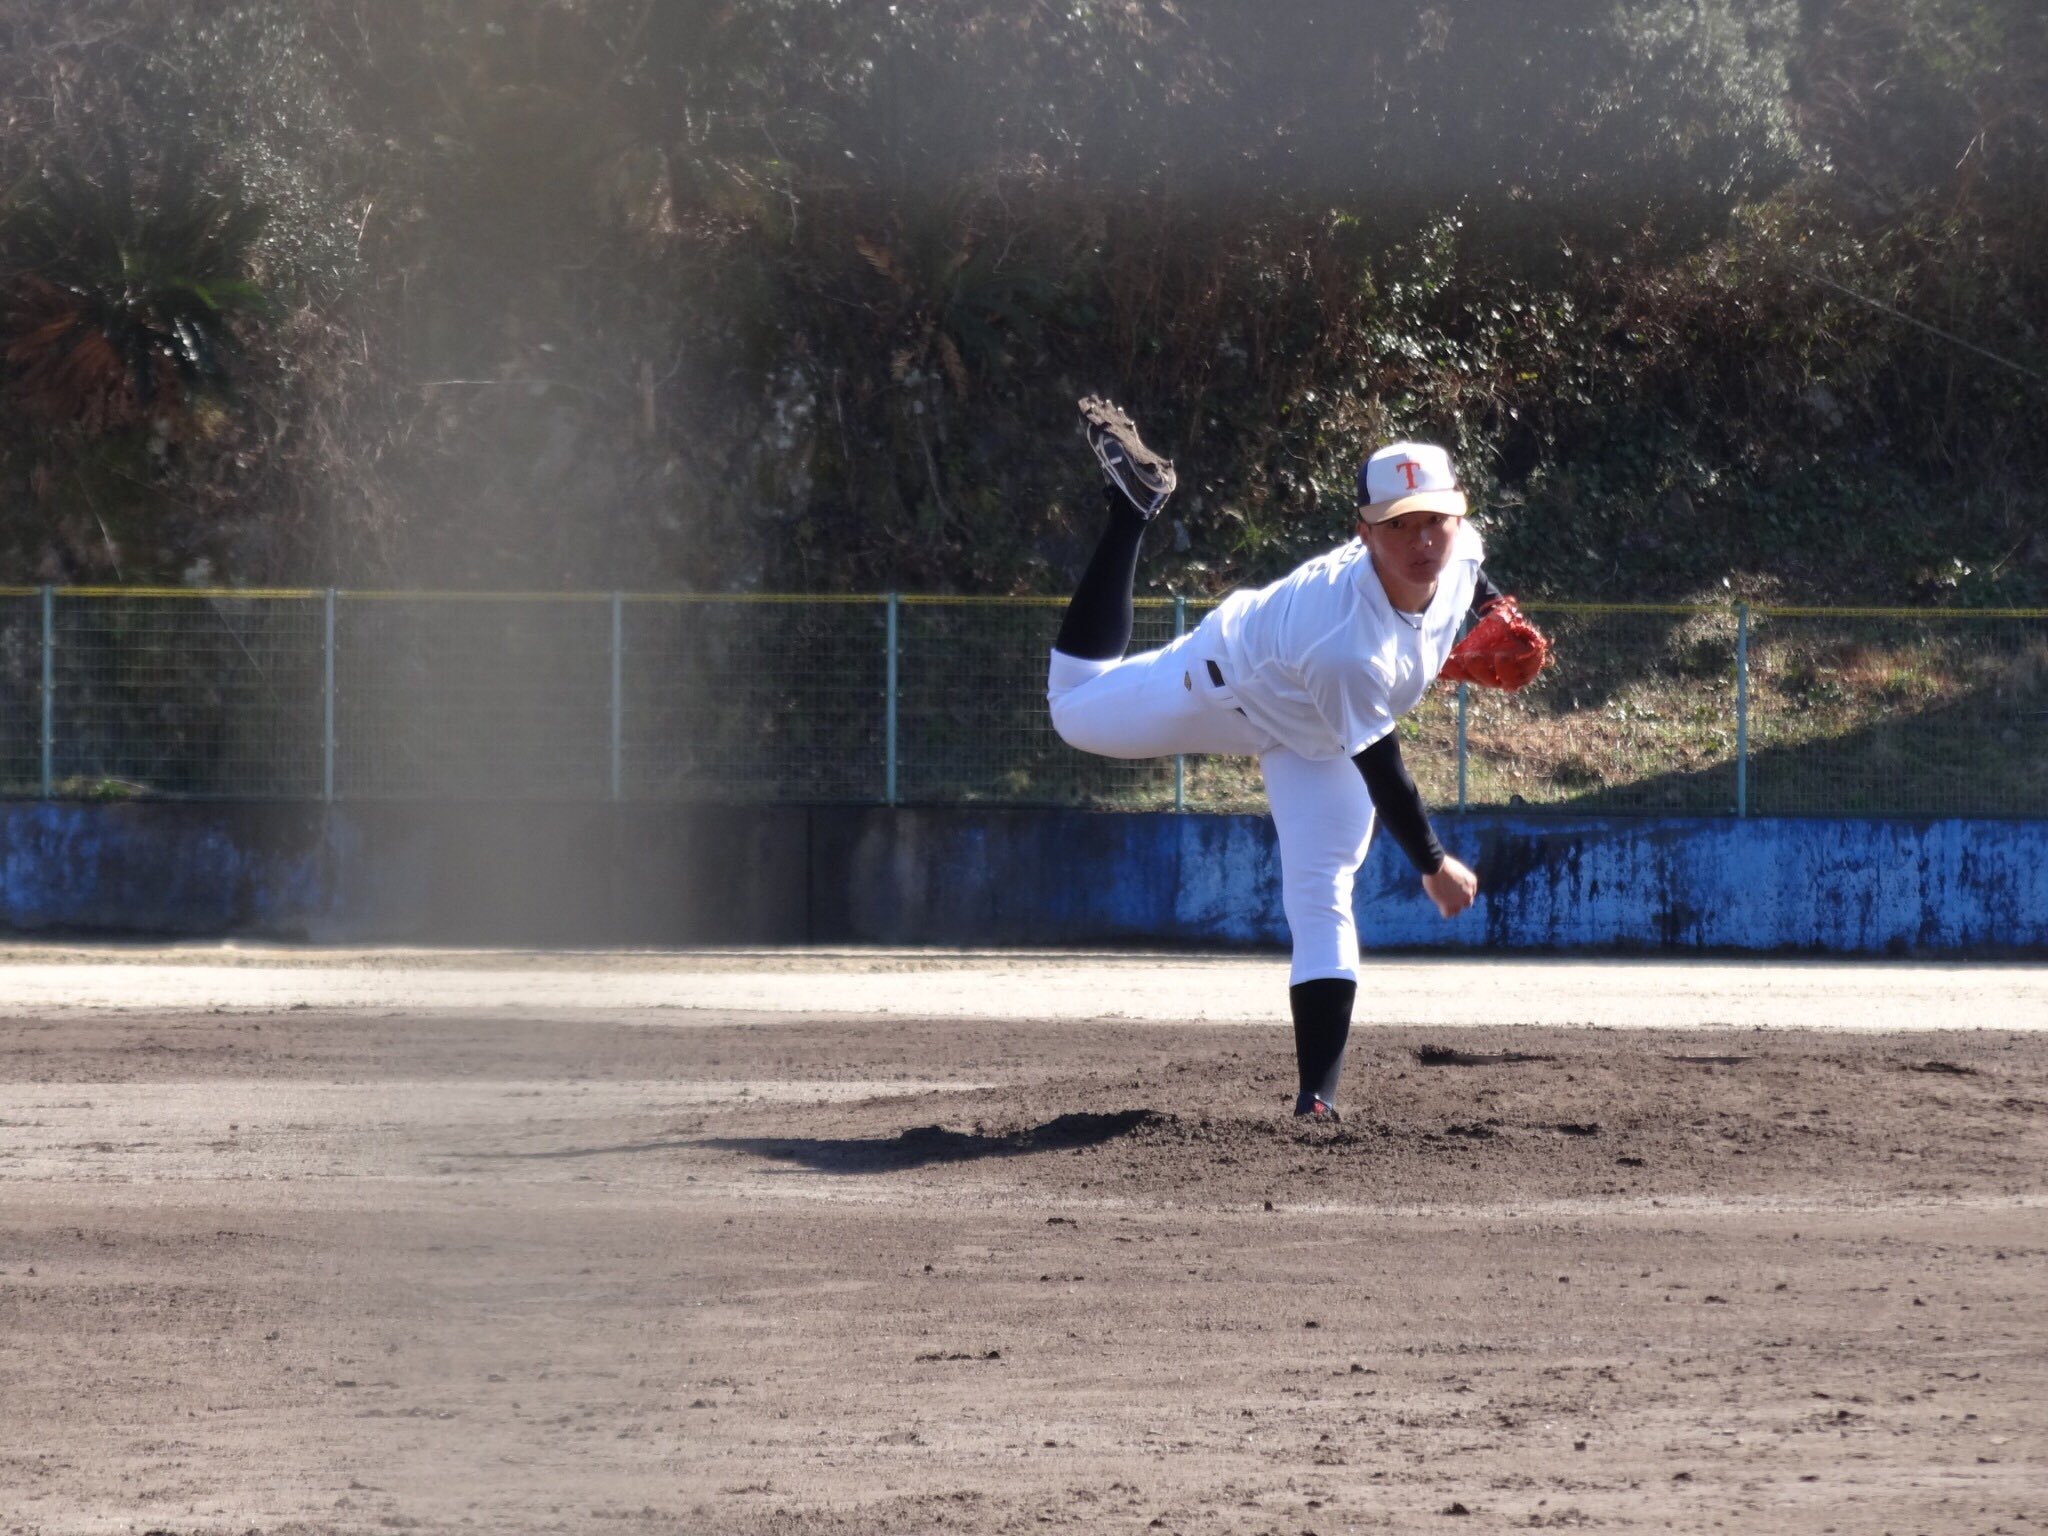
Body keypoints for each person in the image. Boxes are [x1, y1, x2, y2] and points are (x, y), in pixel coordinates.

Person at [1047, 397, 1503, 1123]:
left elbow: (1474, 572)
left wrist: (1496, 611)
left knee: (1321, 894)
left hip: (1316, 736)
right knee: (1072, 709)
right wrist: (1433, 862)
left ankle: (1315, 1101)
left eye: (1435, 518)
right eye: (1399, 524)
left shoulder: (1462, 548)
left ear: (1459, 514)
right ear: (1364, 533)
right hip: (1230, 684)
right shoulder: (1346, 642)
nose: (1423, 539)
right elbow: (1382, 766)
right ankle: (1132, 512)